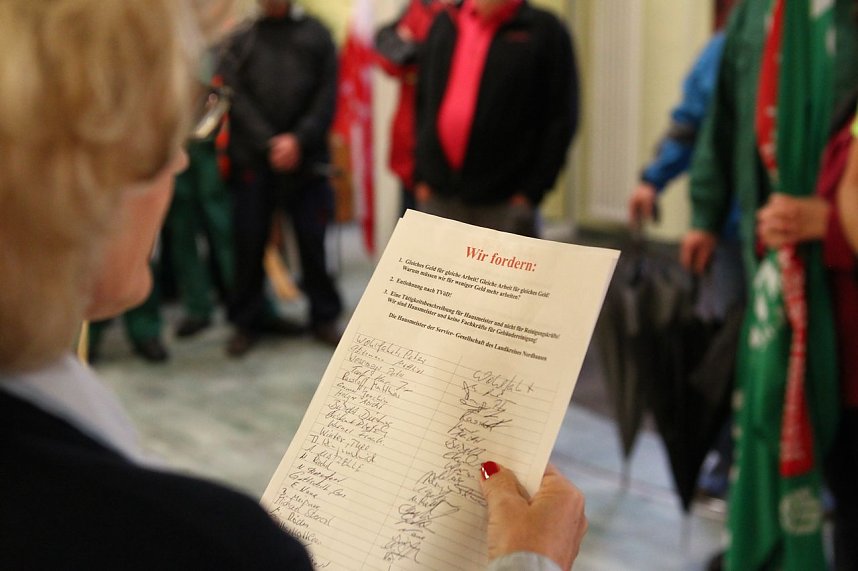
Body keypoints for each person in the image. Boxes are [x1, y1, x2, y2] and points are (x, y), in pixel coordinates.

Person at [0, 1, 588, 568]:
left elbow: (556, 115)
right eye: (165, 129)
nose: (178, 162)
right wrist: (529, 562)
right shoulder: (199, 544)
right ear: (76, 177)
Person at [682, 1, 858, 569]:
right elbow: (722, 115)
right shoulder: (757, 13)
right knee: (766, 405)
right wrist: (706, 213)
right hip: (766, 249)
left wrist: (831, 222)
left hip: (836, 277)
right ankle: (771, 540)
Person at [219, 0, 344, 357]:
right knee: (249, 242)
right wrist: (270, 143)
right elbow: (234, 96)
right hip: (253, 159)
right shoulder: (240, 39)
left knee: (312, 240)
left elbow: (327, 95)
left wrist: (298, 140)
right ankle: (247, 321)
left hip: (307, 160)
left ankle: (324, 316)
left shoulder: (317, 34)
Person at [414, 0, 578, 237]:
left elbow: (561, 118)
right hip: (438, 194)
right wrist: (422, 176)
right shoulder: (445, 22)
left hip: (506, 202)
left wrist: (531, 193)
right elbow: (422, 101)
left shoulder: (544, 29)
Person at [374, 0, 456, 214]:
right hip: (410, 142)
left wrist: (416, 49)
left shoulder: (464, 12)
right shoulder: (418, 7)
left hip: (446, 147)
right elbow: (389, 60)